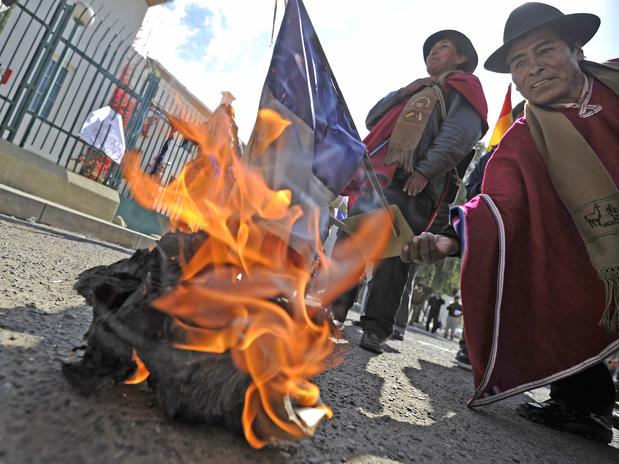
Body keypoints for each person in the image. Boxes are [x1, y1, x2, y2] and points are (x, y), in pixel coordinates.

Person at [402, 2, 619, 443]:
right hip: (595, 253)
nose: (534, 69)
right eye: (520, 63)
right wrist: (449, 240)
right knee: (540, 254)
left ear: (575, 49)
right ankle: (583, 401)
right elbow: (499, 204)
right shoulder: (522, 138)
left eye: (545, 51)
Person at [332, 30, 488, 354]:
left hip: (412, 182)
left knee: (397, 252)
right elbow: (374, 117)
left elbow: (459, 134)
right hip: (377, 176)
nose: (433, 52)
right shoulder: (416, 90)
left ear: (461, 58)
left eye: (442, 47)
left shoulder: (464, 89)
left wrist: (425, 170)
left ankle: (376, 327)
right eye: (430, 48)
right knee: (352, 241)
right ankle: (332, 312)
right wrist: (404, 90)